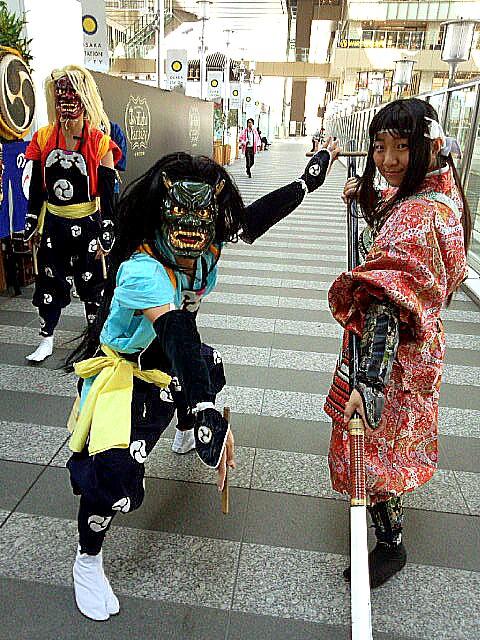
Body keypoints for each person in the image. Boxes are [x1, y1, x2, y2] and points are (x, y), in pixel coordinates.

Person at [65, 140, 340, 621]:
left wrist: (311, 175)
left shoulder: (210, 239)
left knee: (206, 369)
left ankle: (185, 424)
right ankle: (87, 560)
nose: (193, 230)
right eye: (180, 217)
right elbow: (175, 330)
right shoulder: (143, 268)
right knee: (114, 472)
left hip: (173, 357)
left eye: (204, 218)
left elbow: (256, 218)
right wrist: (205, 407)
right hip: (126, 369)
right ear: (161, 214)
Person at [324, 98, 471, 588]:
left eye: (401, 147)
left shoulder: (417, 216)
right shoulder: (442, 193)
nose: (387, 159)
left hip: (391, 360)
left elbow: (388, 298)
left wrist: (368, 385)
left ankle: (391, 544)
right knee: (391, 447)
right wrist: (370, 202)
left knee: (375, 451)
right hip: (419, 346)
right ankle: (388, 529)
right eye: (379, 146)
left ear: (427, 147)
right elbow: (404, 247)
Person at [23, 64, 121, 362]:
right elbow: (37, 187)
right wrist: (32, 220)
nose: (66, 101)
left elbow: (108, 194)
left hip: (87, 222)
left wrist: (107, 231)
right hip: (53, 221)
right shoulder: (43, 138)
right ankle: (46, 339)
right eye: (60, 95)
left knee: (92, 284)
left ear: (85, 99)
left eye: (72, 94)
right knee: (48, 282)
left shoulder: (99, 142)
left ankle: (95, 340)